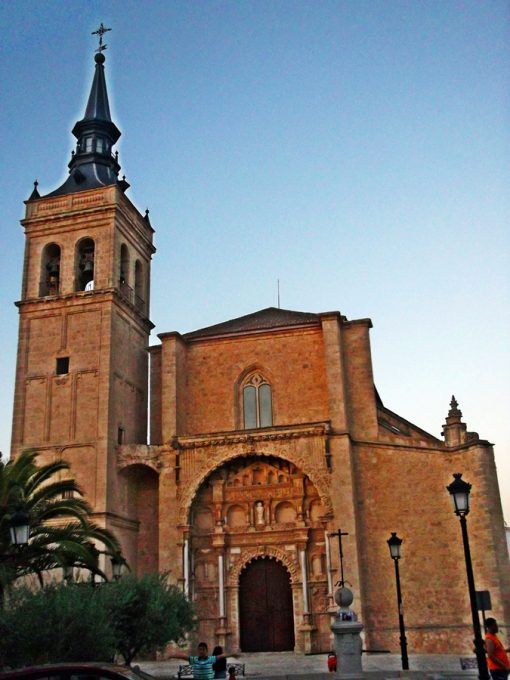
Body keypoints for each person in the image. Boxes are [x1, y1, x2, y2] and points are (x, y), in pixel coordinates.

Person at [168, 641, 234, 680]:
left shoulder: (211, 659)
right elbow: (183, 657)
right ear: (198, 650)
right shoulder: (194, 659)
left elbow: (222, 656)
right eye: (200, 649)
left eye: (203, 649)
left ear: (207, 651)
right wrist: (171, 656)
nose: (201, 651)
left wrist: (233, 654)